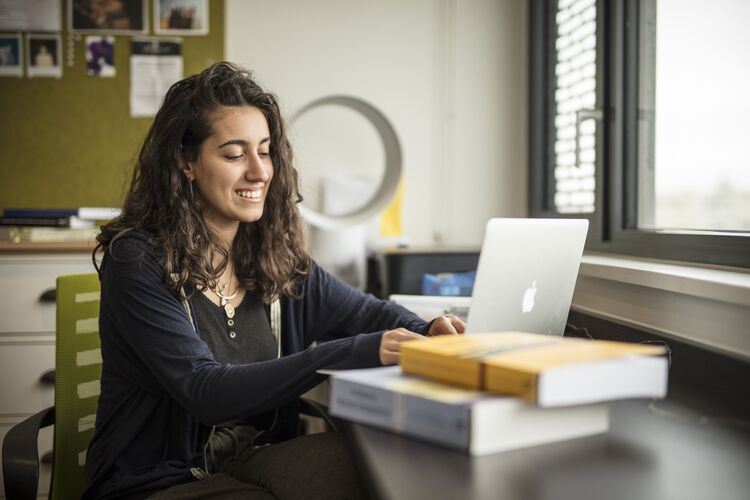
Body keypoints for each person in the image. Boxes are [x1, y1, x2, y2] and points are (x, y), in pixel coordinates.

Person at [82, 61, 465, 500]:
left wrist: (426, 327)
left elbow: (366, 312)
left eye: (265, 151)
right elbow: (206, 391)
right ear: (187, 161)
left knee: (382, 465)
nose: (260, 171)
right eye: (234, 154)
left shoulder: (272, 257)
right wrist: (352, 351)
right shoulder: (137, 260)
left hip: (250, 462)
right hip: (154, 481)